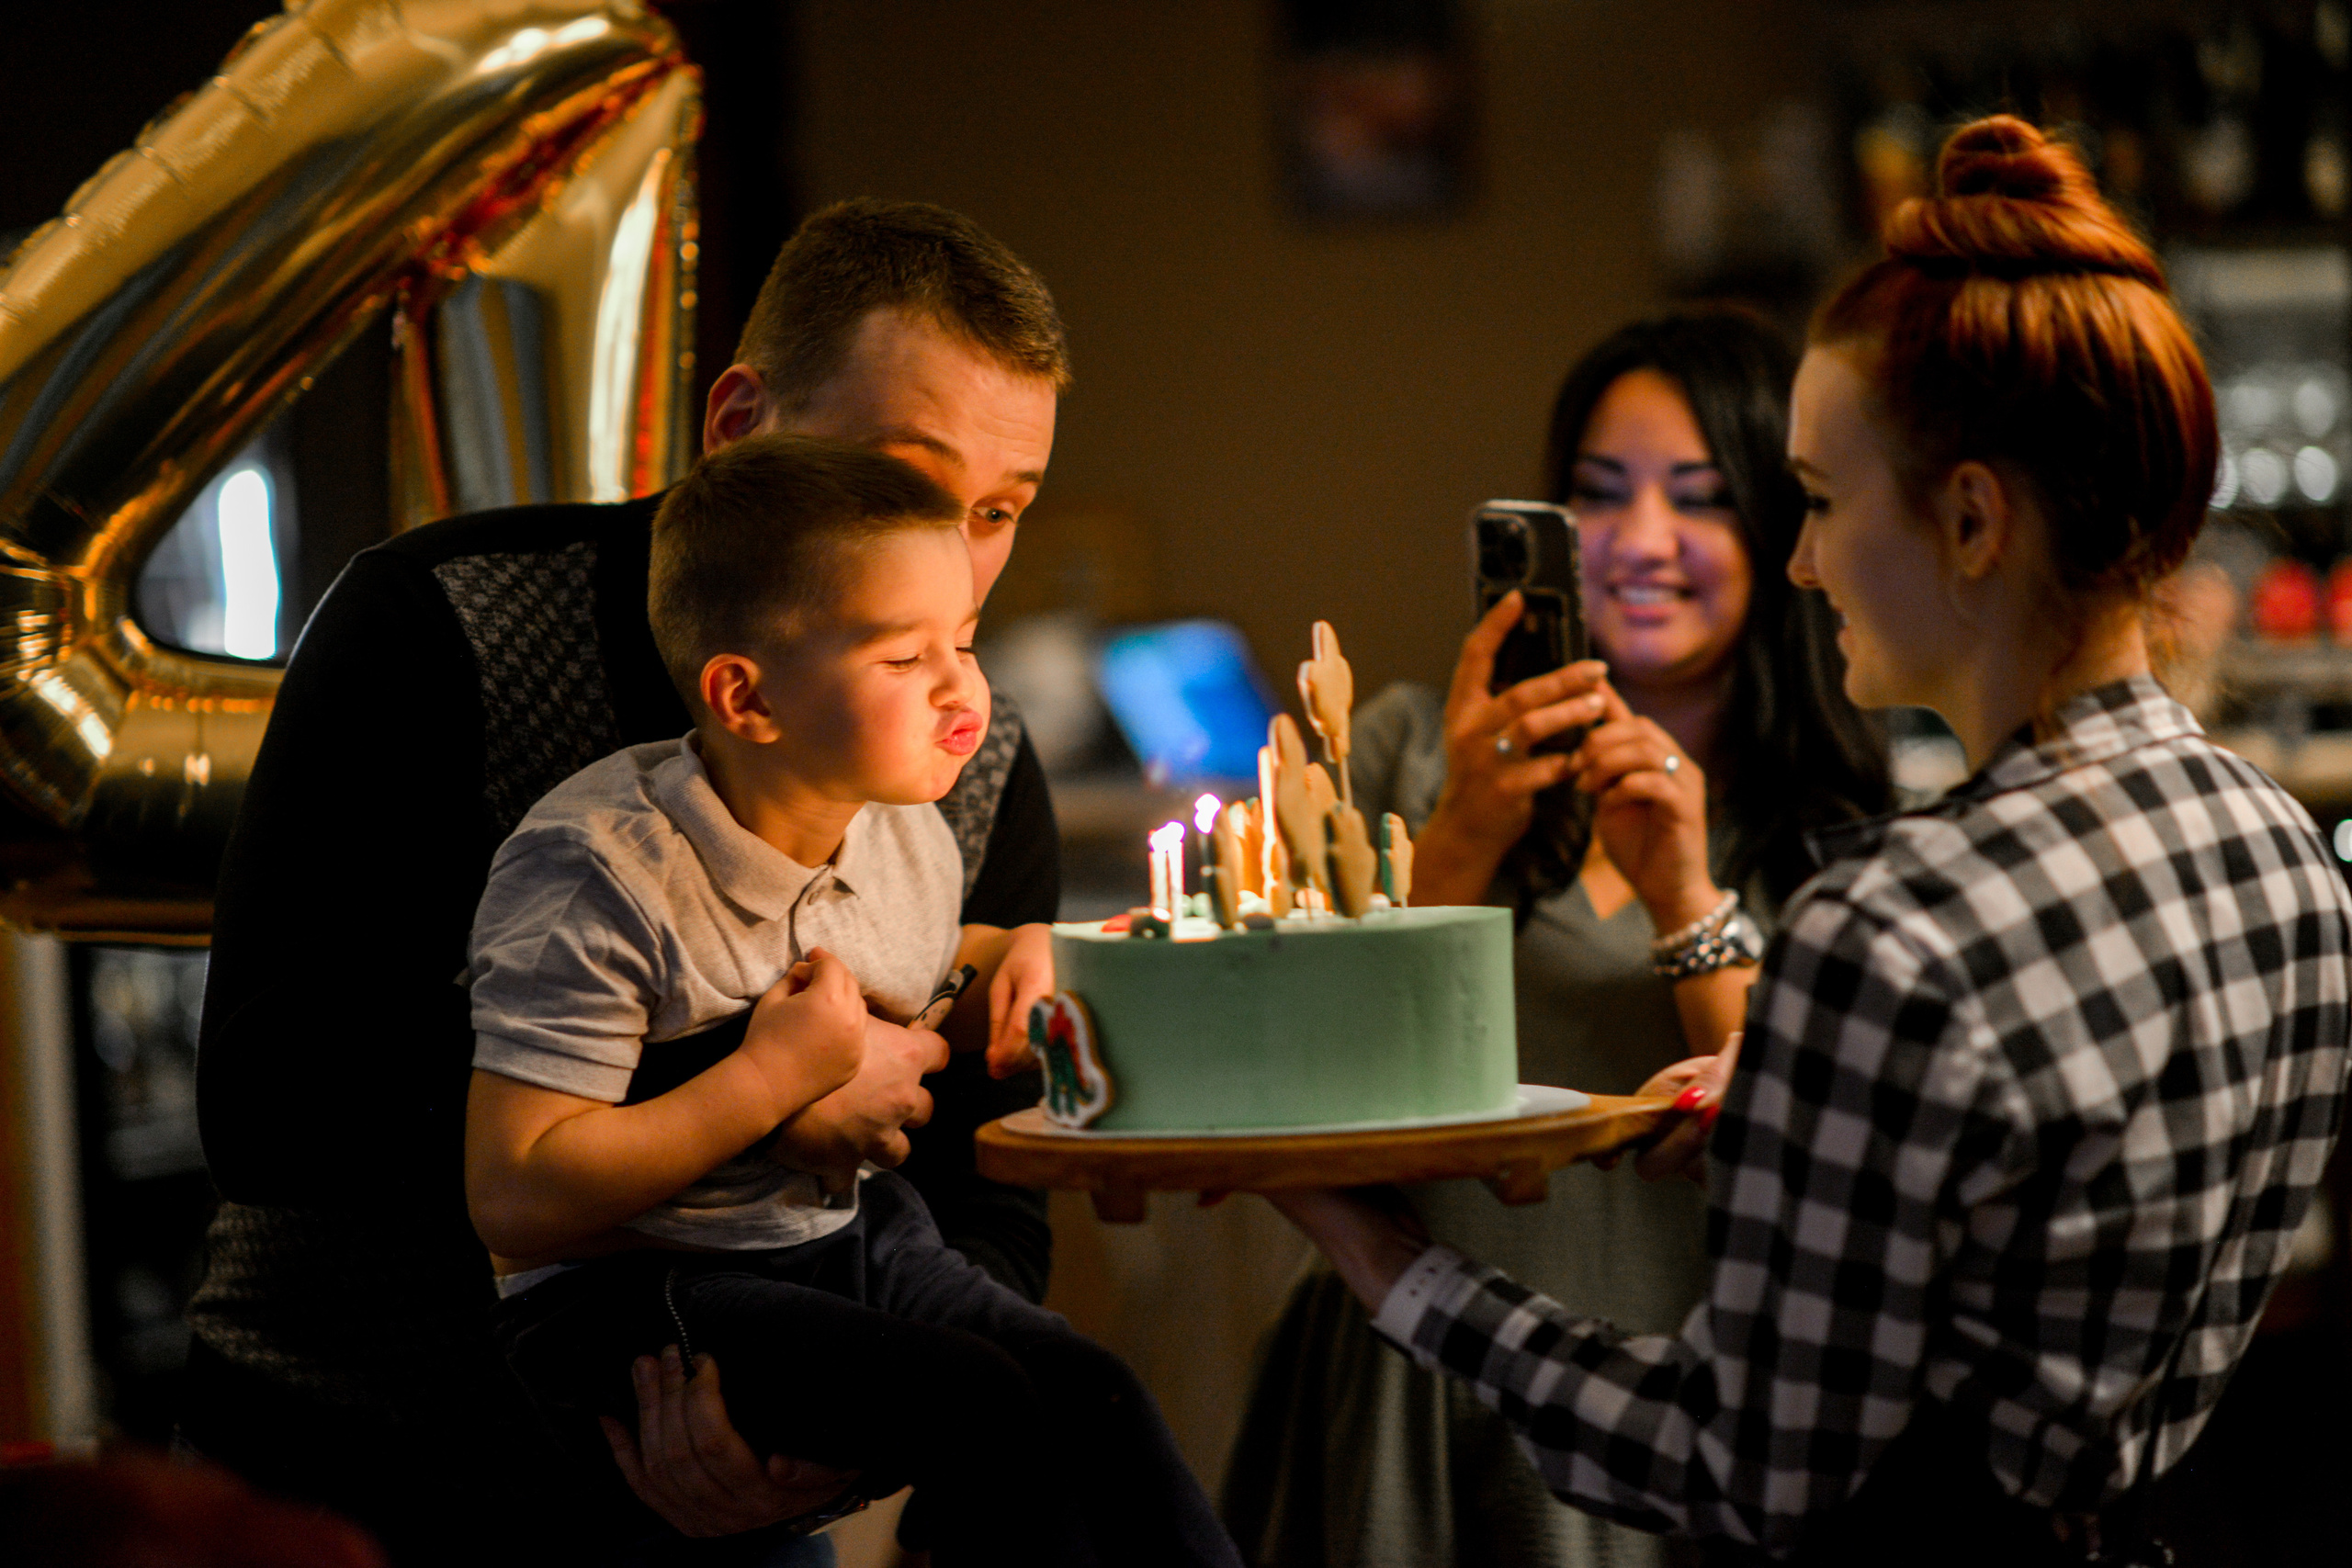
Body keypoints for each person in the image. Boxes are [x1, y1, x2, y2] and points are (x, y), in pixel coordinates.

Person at [1268, 117, 2352, 1566]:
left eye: (1822, 503)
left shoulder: (1898, 925)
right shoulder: (2277, 850)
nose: (1801, 560)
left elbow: (1742, 1462)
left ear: (1971, 519)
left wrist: (1389, 1262)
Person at [182, 200, 1068, 1563]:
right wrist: (753, 1103)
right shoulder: (441, 629)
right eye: (897, 474)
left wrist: (829, 1440)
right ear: (736, 422)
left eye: (998, 510)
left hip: (743, 1483)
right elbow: (282, 1100)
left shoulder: (977, 758)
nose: (949, 547)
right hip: (361, 1460)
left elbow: (987, 1191)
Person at [465, 434, 1239, 1567]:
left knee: (1090, 1389)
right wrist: (772, 1078)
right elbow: (512, 1193)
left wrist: (1017, 954)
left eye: (963, 645)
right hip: (637, 1295)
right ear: (748, 696)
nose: (960, 688)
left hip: (840, 1237)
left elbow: (926, 966)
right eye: (901, 658)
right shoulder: (601, 871)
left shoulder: (902, 831)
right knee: (978, 1402)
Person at [1223, 310, 1888, 1567]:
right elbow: (1284, 1071)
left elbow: (1793, 1171)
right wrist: (1463, 832)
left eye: (1697, 499)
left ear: (1775, 526)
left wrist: (1688, 896)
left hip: (1662, 1407)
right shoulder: (1404, 749)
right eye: (1594, 496)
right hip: (1406, 1381)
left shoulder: (1839, 840)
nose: (1636, 544)